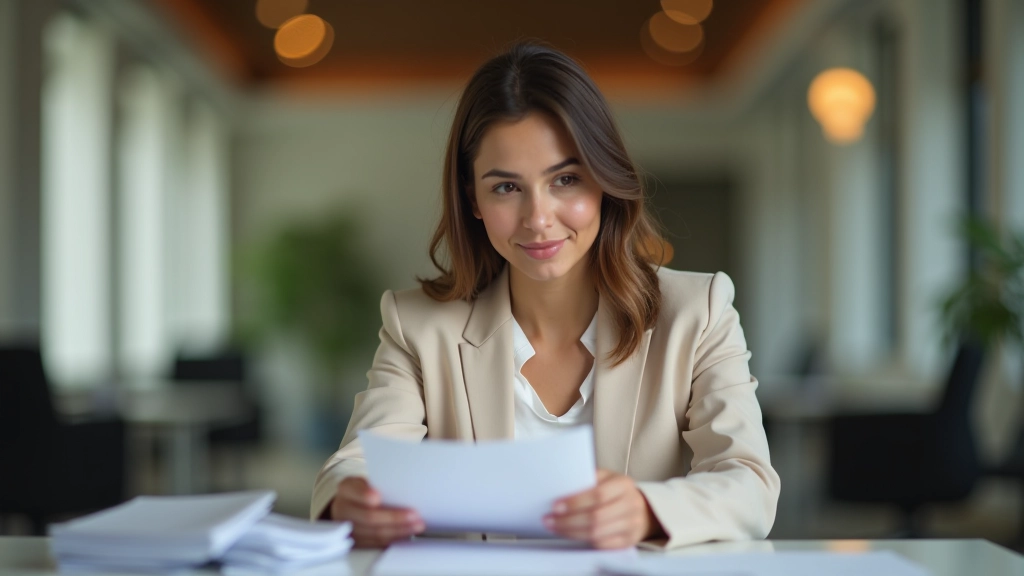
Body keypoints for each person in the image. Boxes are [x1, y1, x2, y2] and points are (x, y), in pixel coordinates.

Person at [311, 42, 780, 550]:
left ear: (604, 180)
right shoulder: (417, 325)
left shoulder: (698, 311)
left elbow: (750, 484)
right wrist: (351, 498)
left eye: (565, 179)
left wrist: (645, 510)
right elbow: (354, 464)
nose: (538, 218)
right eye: (506, 188)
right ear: (473, 199)